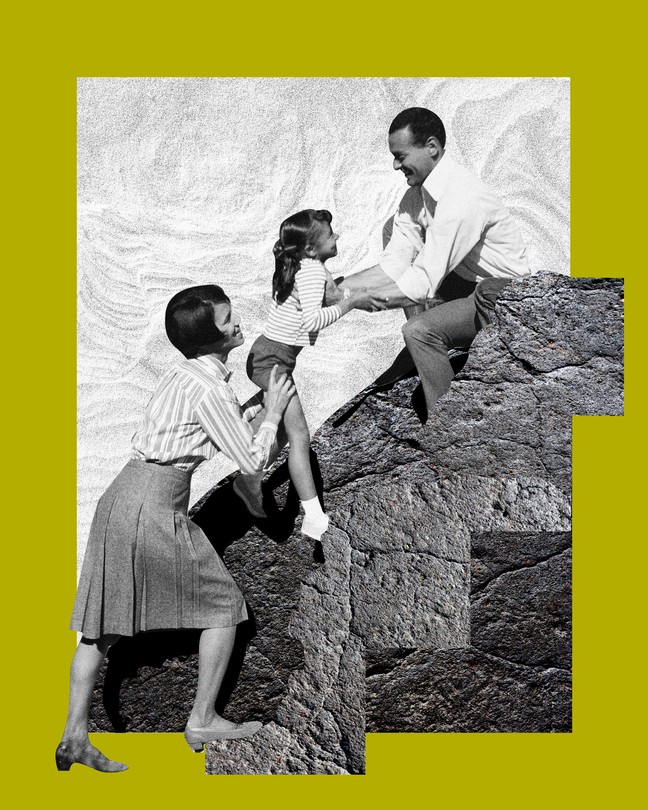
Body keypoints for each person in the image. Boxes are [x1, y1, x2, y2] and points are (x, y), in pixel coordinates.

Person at [57, 284, 295, 772]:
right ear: (212, 335)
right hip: (153, 507)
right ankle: (202, 717)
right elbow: (251, 459)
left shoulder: (185, 375)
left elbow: (213, 427)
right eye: (228, 318)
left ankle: (73, 737)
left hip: (121, 498)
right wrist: (272, 413)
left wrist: (254, 408)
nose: (236, 322)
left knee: (98, 630)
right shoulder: (209, 389)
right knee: (226, 608)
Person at [341, 107, 532, 418]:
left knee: (418, 330)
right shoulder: (415, 198)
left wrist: (352, 301)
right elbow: (395, 264)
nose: (395, 165)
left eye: (400, 156)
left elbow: (424, 282)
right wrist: (336, 289)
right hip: (466, 290)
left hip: (504, 298)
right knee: (393, 234)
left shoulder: (462, 197)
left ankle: (452, 429)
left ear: (432, 147)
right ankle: (436, 392)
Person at [243, 209, 385, 540]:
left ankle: (246, 484)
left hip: (271, 357)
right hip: (271, 362)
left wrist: (361, 297)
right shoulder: (309, 274)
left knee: (278, 433)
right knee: (300, 436)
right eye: (330, 234)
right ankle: (313, 516)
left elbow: (337, 292)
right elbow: (312, 321)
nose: (337, 237)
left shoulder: (313, 267)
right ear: (310, 249)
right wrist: (351, 305)